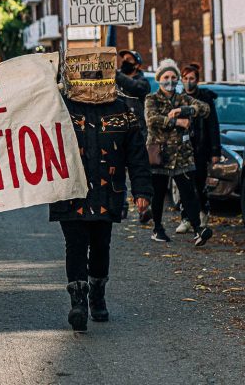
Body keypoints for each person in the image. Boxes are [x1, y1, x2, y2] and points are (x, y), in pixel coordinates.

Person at [52, 51, 152, 332]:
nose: (90, 79)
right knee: (75, 244)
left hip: (108, 190)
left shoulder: (121, 110)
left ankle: (97, 294)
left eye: (97, 74)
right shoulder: (60, 109)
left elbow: (137, 155)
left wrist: (142, 190)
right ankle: (78, 302)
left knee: (100, 245)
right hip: (70, 190)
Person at [144, 59, 214, 247]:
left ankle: (199, 229)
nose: (170, 80)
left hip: (181, 155)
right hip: (159, 153)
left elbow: (205, 109)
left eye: (174, 77)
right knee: (158, 193)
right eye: (166, 77)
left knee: (188, 193)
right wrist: (177, 121)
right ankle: (157, 228)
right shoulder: (152, 99)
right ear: (159, 79)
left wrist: (184, 110)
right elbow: (152, 120)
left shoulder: (183, 98)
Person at [175, 63, 221, 233]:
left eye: (191, 79)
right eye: (185, 79)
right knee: (184, 185)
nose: (188, 82)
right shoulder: (178, 98)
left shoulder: (205, 99)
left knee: (199, 183)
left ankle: (203, 212)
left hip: (200, 148)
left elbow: (213, 125)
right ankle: (186, 218)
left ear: (197, 80)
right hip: (181, 149)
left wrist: (215, 150)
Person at [115, 50, 150, 222]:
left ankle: (144, 207)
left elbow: (134, 87)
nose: (124, 62)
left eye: (128, 60)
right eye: (123, 60)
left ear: (137, 64)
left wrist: (115, 74)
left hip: (138, 134)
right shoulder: (117, 83)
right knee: (119, 171)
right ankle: (122, 205)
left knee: (139, 170)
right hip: (119, 133)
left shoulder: (142, 82)